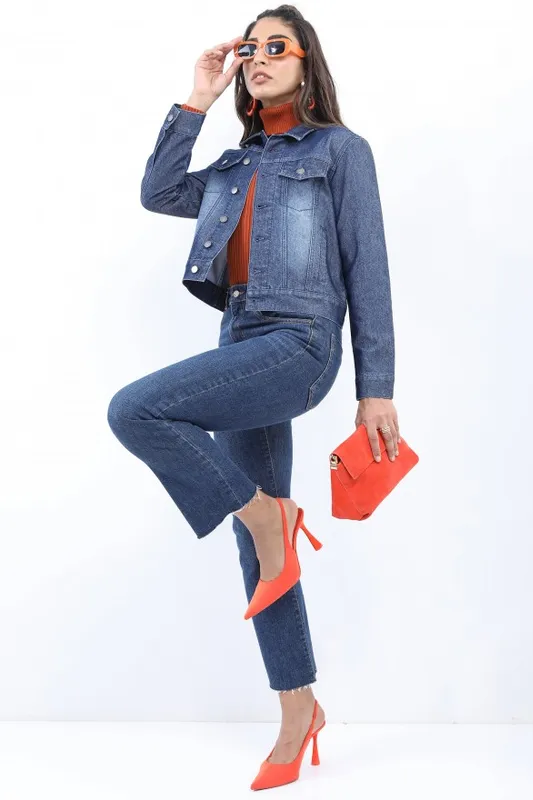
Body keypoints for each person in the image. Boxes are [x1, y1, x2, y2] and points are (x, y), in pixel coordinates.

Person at [107, 5, 400, 790]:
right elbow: (158, 191)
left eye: (278, 46)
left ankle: (270, 517)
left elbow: (368, 266)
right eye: (251, 48)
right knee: (260, 551)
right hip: (240, 343)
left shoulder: (340, 151)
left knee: (135, 410)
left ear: (307, 63)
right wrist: (199, 97)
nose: (261, 56)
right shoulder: (234, 165)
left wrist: (376, 390)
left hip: (301, 345)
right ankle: (300, 709)